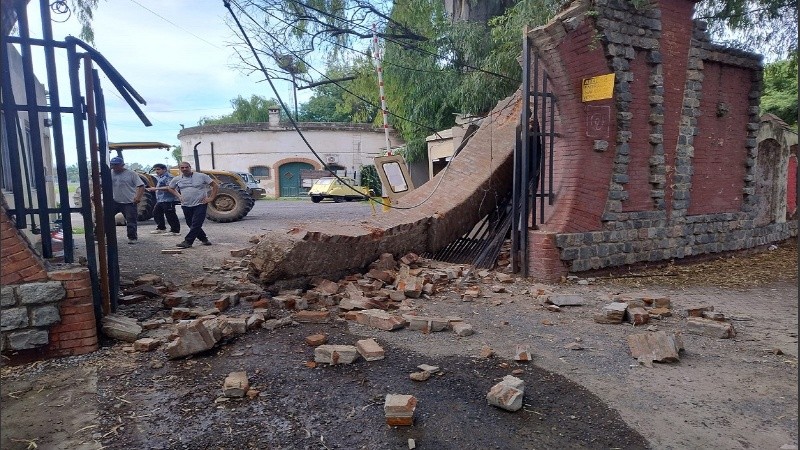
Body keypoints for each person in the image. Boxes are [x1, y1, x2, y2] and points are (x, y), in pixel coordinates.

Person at [167, 162, 219, 248]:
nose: (184, 169)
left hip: (200, 203)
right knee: (190, 223)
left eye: (186, 167)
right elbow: (170, 188)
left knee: (196, 223)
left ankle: (188, 241)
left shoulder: (201, 176)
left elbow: (215, 185)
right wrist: (179, 196)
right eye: (182, 168)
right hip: (186, 204)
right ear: (180, 169)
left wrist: (211, 198)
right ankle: (204, 239)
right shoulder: (177, 179)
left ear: (190, 167)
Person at [109, 156, 144, 244]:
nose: (114, 167)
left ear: (122, 165)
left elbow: (141, 186)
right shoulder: (110, 173)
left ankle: (132, 238)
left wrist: (138, 197)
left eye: (116, 165)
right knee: (104, 217)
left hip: (129, 201)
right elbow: (102, 184)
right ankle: (100, 236)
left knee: (131, 221)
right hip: (114, 201)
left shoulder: (131, 174)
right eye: (113, 165)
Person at [146, 164, 181, 236]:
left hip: (168, 200)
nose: (156, 171)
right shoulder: (160, 177)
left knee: (170, 215)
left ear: (164, 169)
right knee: (156, 212)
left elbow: (169, 187)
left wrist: (155, 189)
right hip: (161, 199)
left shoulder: (168, 177)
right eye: (156, 169)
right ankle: (161, 228)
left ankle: (175, 230)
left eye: (158, 169)